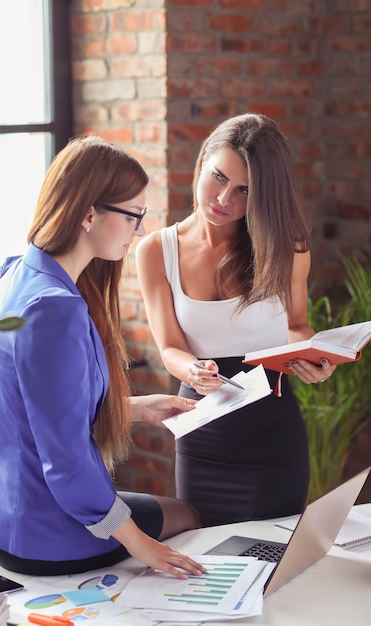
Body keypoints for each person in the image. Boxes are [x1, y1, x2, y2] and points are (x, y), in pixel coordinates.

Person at [0, 135, 206, 579]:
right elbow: (68, 462)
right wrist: (143, 547)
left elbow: (35, 408)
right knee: (188, 517)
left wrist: (137, 409)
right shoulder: (55, 310)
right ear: (89, 214)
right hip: (36, 530)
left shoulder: (20, 269)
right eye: (134, 215)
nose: (141, 230)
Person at [135, 113, 337, 527]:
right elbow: (170, 346)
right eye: (218, 177)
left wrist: (314, 356)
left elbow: (297, 324)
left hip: (273, 432)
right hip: (203, 432)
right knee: (208, 562)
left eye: (244, 190)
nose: (223, 199)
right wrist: (192, 369)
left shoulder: (288, 249)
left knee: (276, 557)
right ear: (203, 159)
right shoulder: (157, 250)